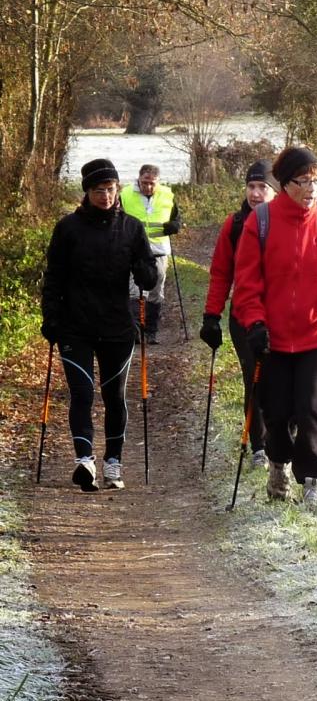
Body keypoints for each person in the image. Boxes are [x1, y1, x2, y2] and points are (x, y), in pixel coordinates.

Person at [232, 146, 317, 512]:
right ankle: (277, 462)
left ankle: (313, 479)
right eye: (302, 182)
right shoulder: (261, 222)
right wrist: (254, 322)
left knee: (311, 408)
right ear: (284, 184)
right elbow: (247, 282)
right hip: (272, 334)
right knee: (276, 411)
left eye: (316, 180)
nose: (311, 188)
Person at [40, 158, 158, 490]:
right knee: (81, 392)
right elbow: (54, 277)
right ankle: (85, 460)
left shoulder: (132, 228)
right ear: (86, 192)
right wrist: (50, 317)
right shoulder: (68, 228)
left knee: (114, 396)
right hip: (74, 326)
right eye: (97, 190)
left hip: (117, 326)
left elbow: (148, 277)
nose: (105, 196)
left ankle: (113, 463)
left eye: (109, 189)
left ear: (117, 189)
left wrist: (144, 266)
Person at [201, 159, 277, 467]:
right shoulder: (234, 224)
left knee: (281, 380)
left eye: (263, 187)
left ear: (276, 190)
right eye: (251, 186)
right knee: (255, 378)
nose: (256, 194)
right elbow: (221, 273)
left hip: (282, 315)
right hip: (244, 316)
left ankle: (283, 438)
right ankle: (259, 446)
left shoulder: (283, 222)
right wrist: (211, 316)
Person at [120, 163, 181, 344]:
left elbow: (176, 218)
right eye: (145, 182)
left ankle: (151, 331)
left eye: (152, 183)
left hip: (159, 251)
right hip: (134, 251)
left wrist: (175, 226)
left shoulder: (167, 196)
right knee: (135, 291)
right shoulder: (125, 195)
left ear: (158, 182)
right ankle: (136, 331)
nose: (148, 186)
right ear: (139, 179)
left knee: (156, 291)